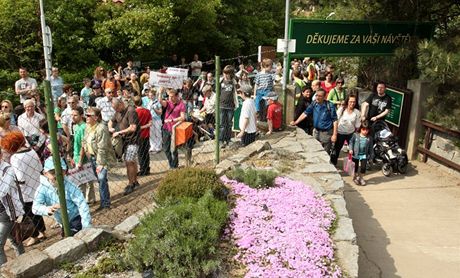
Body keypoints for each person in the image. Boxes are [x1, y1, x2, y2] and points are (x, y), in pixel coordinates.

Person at [1, 131, 45, 247]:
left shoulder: (15, 158)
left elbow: (20, 178)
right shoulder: (32, 151)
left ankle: (34, 235)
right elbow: (40, 167)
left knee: (28, 214)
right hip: (37, 184)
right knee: (37, 211)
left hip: (25, 191)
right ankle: (42, 231)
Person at [33, 157, 92, 236]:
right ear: (45, 173)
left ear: (65, 172)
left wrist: (86, 226)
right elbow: (35, 207)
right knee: (67, 235)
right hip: (63, 221)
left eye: (60, 172)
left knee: (71, 235)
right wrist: (47, 209)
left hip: (76, 217)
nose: (57, 175)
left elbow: (82, 204)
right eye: (53, 172)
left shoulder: (70, 186)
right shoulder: (43, 188)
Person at [81, 107, 115, 211]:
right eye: (86, 115)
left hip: (101, 158)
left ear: (96, 117)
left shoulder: (101, 128)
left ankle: (105, 204)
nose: (86, 117)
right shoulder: (88, 127)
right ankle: (105, 201)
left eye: (89, 115)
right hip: (92, 157)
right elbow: (85, 141)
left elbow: (102, 147)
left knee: (101, 179)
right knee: (101, 180)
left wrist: (100, 163)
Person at [109, 98, 140, 195]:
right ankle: (135, 182)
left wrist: (119, 132)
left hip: (133, 140)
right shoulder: (118, 112)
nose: (116, 110)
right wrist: (110, 128)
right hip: (125, 141)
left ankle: (131, 184)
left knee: (129, 161)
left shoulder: (130, 111)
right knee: (132, 161)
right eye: (114, 109)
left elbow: (133, 127)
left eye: (117, 108)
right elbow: (111, 121)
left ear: (121, 104)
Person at [290, 89, 338, 153]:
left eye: (320, 96)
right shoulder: (314, 103)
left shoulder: (330, 106)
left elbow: (335, 120)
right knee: (315, 150)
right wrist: (296, 122)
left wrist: (334, 134)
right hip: (316, 131)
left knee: (325, 152)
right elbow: (305, 113)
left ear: (324, 97)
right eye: (316, 95)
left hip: (326, 133)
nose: (317, 97)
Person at [0, 148, 25, 265]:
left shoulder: (7, 169)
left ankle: (4, 271)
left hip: (7, 213)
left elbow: (2, 191)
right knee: (14, 239)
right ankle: (24, 264)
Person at [71, 107, 95, 204]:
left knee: (86, 180)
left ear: (81, 116)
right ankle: (88, 200)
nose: (73, 117)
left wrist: (80, 161)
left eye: (75, 115)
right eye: (72, 115)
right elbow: (76, 145)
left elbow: (83, 146)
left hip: (83, 159)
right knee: (82, 181)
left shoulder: (84, 127)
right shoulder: (76, 127)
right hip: (77, 156)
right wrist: (74, 157)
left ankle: (88, 200)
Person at [330, 94, 361, 166]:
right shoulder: (342, 109)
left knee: (353, 151)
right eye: (350, 101)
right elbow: (335, 120)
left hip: (351, 133)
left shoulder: (357, 112)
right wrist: (334, 133)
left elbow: (357, 125)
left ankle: (352, 167)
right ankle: (333, 164)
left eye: (354, 102)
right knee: (336, 150)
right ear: (347, 102)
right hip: (340, 133)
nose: (352, 103)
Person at [159, 88, 185, 169]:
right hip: (166, 128)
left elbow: (182, 117)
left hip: (174, 129)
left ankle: (175, 165)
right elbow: (160, 101)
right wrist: (160, 92)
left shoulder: (181, 104)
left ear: (176, 96)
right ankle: (171, 163)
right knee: (166, 149)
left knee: (174, 149)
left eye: (172, 96)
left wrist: (172, 120)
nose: (170, 98)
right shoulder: (168, 103)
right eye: (169, 96)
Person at [349, 121, 374, 186]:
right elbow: (351, 142)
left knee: (363, 167)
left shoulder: (369, 138)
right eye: (363, 129)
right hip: (356, 154)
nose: (365, 131)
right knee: (356, 167)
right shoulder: (355, 135)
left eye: (367, 130)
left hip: (364, 155)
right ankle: (355, 177)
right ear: (360, 129)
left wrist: (371, 157)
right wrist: (351, 149)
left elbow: (371, 148)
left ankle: (361, 178)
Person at [219, 65, 238, 148]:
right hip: (222, 105)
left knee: (229, 124)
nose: (226, 75)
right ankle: (221, 140)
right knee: (222, 124)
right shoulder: (221, 81)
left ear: (231, 74)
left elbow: (237, 87)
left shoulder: (233, 81)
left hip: (230, 106)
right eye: (224, 73)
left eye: (227, 73)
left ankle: (228, 139)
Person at [134, 96, 152, 176]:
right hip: (146, 134)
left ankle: (142, 169)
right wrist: (145, 126)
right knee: (146, 152)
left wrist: (140, 127)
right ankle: (147, 168)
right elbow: (150, 123)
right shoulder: (147, 111)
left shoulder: (134, 112)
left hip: (138, 135)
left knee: (140, 153)